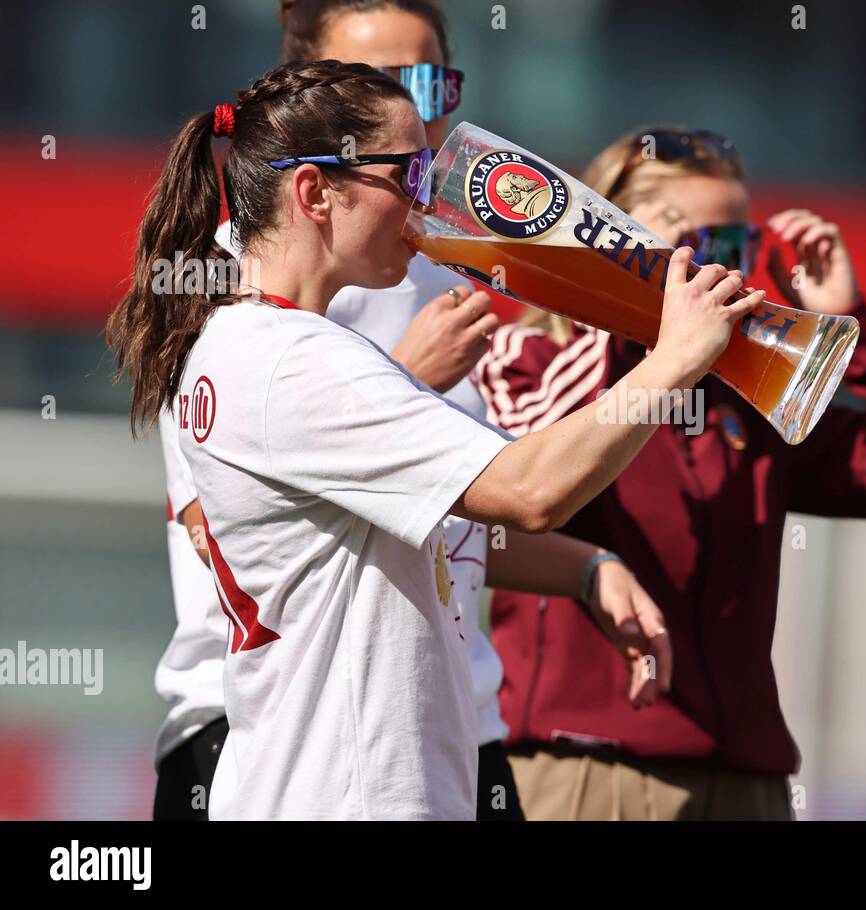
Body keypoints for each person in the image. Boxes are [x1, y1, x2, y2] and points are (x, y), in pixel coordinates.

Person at [107, 59, 763, 820]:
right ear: (316, 193)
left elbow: (448, 525)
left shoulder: (252, 342)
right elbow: (528, 491)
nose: (429, 199)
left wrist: (587, 572)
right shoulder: (292, 358)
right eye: (408, 171)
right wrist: (677, 358)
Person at [480, 125, 866, 820]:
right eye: (698, 245)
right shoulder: (528, 356)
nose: (724, 270)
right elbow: (517, 491)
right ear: (610, 232)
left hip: (748, 779)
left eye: (736, 247)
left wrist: (853, 324)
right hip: (587, 771)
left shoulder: (740, 390)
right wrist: (613, 304)